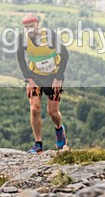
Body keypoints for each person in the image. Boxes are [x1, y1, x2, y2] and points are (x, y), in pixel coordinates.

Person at [15, 13, 69, 153]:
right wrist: (29, 80)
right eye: (26, 27)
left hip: (53, 77)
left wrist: (58, 78)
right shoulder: (23, 39)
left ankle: (59, 130)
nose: (29, 30)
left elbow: (65, 55)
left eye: (32, 26)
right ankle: (38, 144)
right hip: (35, 77)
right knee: (34, 109)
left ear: (37, 24)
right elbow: (21, 60)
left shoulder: (49, 36)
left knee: (53, 112)